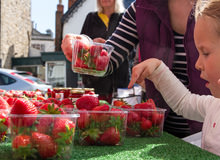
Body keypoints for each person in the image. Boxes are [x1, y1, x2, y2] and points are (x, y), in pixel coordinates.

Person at [61, 0, 210, 138]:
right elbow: (109, 58)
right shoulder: (141, 7)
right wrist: (83, 47)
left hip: (211, 129)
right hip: (156, 128)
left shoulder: (214, 7)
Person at [128, 0, 220, 156]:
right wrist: (158, 69)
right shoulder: (213, 106)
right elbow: (183, 102)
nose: (198, 64)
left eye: (205, 53)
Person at [80, 0, 129, 103]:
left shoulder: (124, 17)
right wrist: (92, 45)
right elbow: (83, 44)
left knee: (119, 113)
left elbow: (131, 46)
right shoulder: (91, 17)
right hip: (95, 80)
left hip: (119, 79)